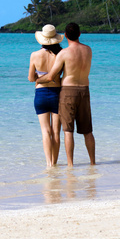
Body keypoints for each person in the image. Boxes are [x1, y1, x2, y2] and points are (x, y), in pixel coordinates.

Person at [37, 22, 96, 167]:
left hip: (68, 91)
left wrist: (37, 79)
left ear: (65, 36)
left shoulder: (64, 53)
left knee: (68, 131)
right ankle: (93, 163)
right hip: (85, 90)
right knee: (87, 130)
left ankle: (70, 165)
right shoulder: (88, 50)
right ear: (80, 34)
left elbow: (51, 76)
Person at [28, 24, 63, 167]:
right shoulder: (60, 55)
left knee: (45, 131)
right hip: (57, 93)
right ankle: (55, 163)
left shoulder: (35, 55)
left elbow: (30, 78)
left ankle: (49, 164)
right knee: (56, 132)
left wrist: (38, 77)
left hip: (41, 94)